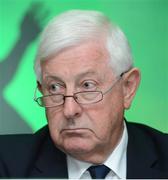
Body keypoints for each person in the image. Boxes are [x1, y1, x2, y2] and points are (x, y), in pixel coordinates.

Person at [0, 9, 168, 179]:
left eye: (87, 85)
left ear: (127, 88)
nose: (69, 110)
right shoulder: (6, 165)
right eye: (55, 88)